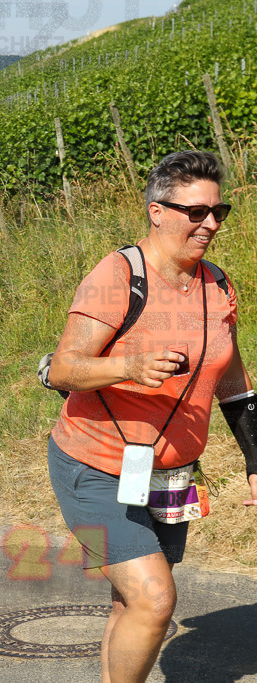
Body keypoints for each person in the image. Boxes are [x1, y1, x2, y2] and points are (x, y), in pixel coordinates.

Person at [46, 151, 254, 682]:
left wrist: (256, 459)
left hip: (170, 474)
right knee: (156, 600)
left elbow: (233, 383)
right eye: (195, 212)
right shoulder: (118, 275)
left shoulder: (218, 285)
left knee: (130, 602)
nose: (210, 223)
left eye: (218, 212)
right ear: (157, 211)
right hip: (93, 464)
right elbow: (65, 368)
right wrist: (128, 366)